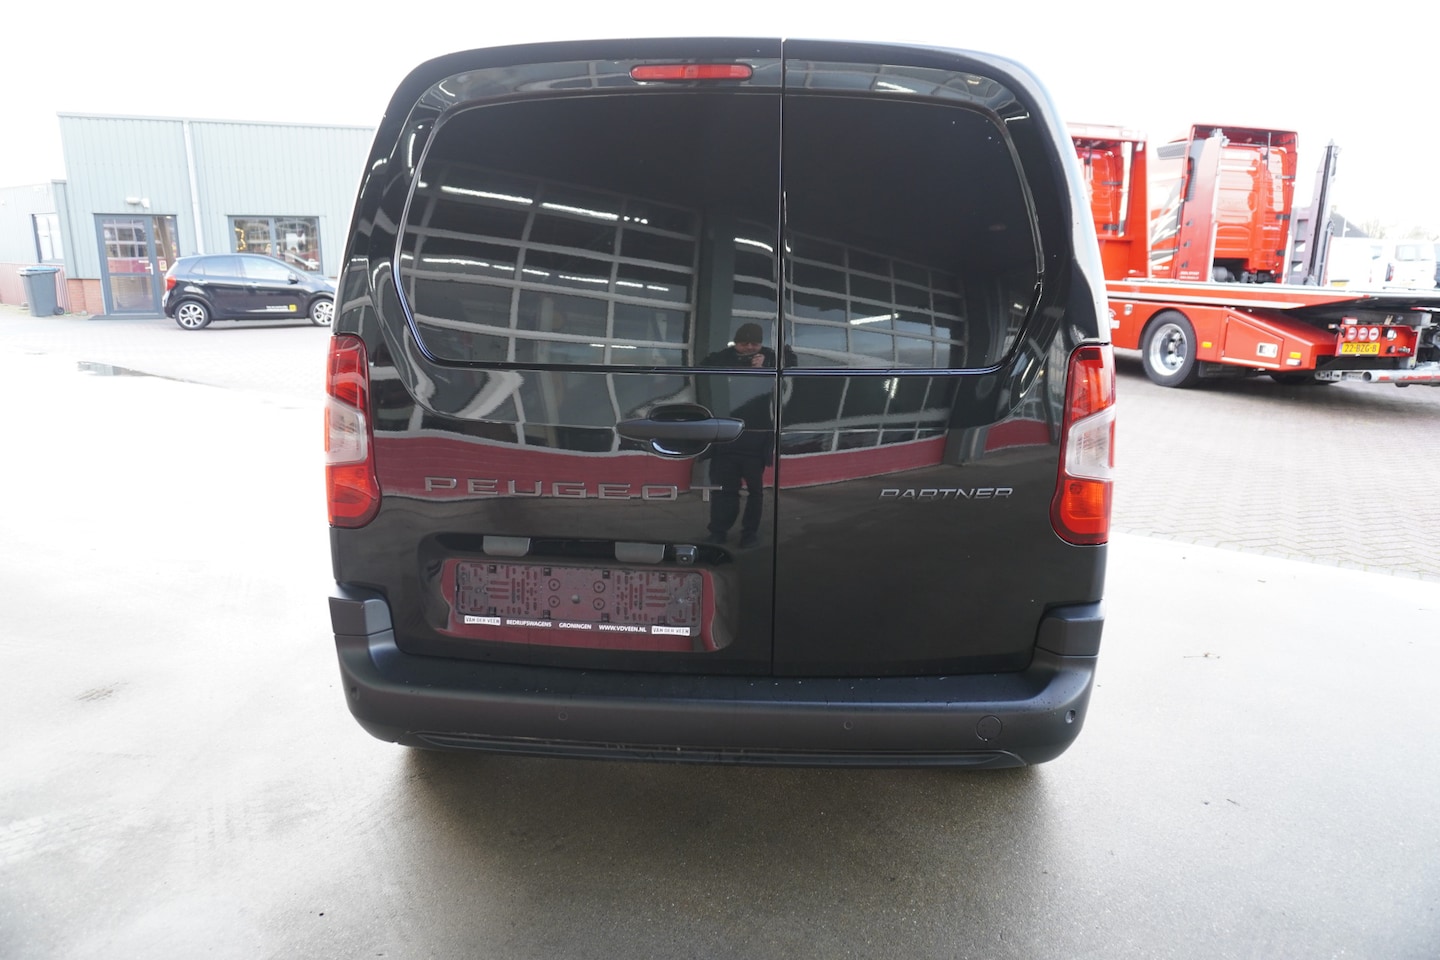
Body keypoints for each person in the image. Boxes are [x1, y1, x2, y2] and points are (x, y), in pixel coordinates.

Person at [699, 324, 784, 548]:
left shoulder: (771, 358)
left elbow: (789, 376)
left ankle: (749, 534)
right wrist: (738, 365)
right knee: (723, 491)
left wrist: (765, 368)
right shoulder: (723, 358)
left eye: (754, 343)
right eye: (743, 343)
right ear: (735, 342)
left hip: (756, 438)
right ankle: (718, 532)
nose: (749, 348)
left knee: (755, 493)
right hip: (725, 438)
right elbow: (703, 368)